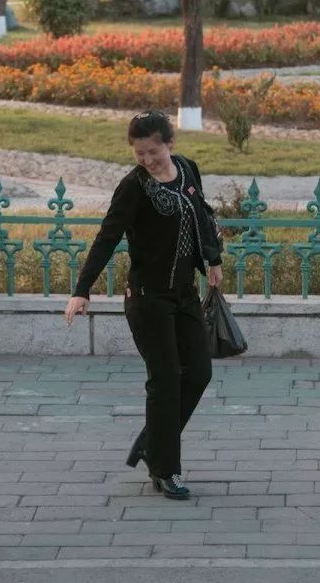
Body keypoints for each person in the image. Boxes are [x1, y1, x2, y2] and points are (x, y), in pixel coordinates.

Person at [64, 111, 223, 501]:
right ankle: (165, 470)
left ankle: (153, 443)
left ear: (170, 144)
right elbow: (107, 237)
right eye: (139, 153)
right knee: (165, 380)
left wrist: (213, 259)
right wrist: (82, 290)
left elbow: (203, 217)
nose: (148, 160)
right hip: (147, 299)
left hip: (184, 294)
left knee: (198, 373)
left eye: (153, 151)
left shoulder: (187, 169)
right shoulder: (133, 187)